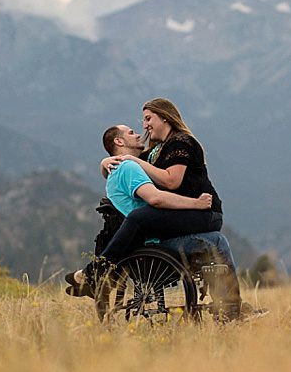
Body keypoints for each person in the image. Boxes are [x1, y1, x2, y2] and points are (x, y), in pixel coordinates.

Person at [66, 98, 224, 292]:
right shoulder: (154, 151)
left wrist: (196, 204)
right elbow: (125, 165)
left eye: (149, 119)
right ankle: (232, 308)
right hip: (185, 212)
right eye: (142, 121)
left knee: (140, 217)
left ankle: (96, 271)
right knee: (217, 240)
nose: (144, 126)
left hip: (204, 211)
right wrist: (105, 162)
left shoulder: (180, 143)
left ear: (164, 117)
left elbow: (170, 181)